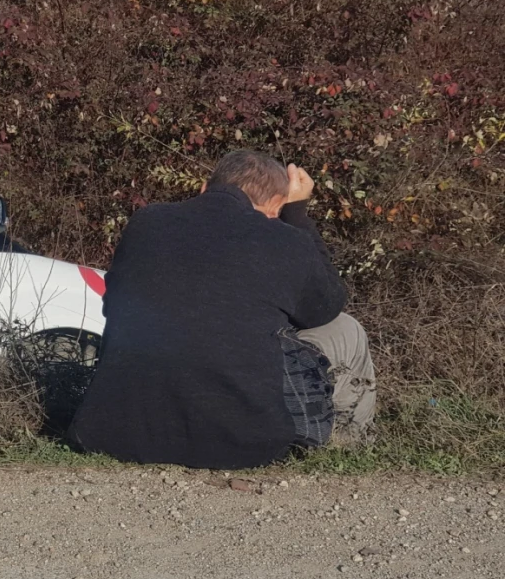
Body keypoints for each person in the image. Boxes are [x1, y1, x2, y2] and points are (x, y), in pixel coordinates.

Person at [67, 150, 377, 470]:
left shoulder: (145, 222)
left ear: (203, 189)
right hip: (240, 443)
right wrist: (296, 213)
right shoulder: (283, 237)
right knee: (346, 329)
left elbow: (114, 303)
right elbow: (325, 308)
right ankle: (349, 449)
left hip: (114, 432)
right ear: (275, 207)